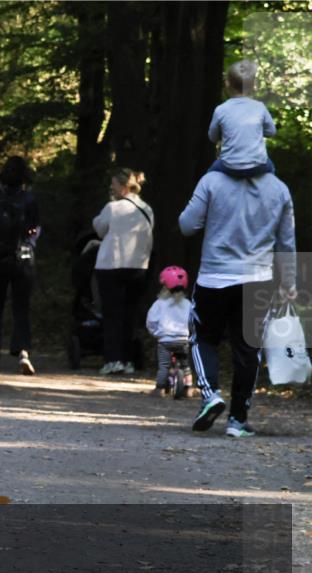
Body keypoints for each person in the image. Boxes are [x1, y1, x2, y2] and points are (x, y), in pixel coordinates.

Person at [179, 163, 296, 437]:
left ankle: (210, 395)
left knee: (203, 337)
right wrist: (290, 282)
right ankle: (237, 420)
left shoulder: (211, 181)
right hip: (258, 279)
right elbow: (286, 242)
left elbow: (187, 225)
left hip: (213, 278)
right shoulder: (279, 189)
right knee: (248, 348)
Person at [0, 156, 40, 375]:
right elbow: (34, 229)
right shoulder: (30, 199)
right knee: (21, 307)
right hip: (22, 258)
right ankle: (22, 351)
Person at [92, 168, 153, 375]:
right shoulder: (147, 209)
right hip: (138, 266)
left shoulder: (112, 208)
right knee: (130, 314)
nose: (112, 188)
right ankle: (129, 360)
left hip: (112, 265)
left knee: (112, 314)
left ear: (124, 186)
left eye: (114, 184)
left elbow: (99, 229)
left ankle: (112, 359)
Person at [208, 60, 276, 179]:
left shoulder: (221, 109)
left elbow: (212, 137)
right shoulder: (259, 107)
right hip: (258, 166)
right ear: (253, 86)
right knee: (271, 168)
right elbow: (272, 132)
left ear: (227, 83)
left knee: (210, 174)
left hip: (229, 166)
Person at [146, 266, 195, 397]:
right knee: (185, 366)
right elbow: (193, 322)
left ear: (164, 286)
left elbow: (151, 321)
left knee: (164, 365)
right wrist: (190, 333)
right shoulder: (188, 304)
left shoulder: (160, 303)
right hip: (183, 340)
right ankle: (188, 389)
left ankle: (160, 389)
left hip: (165, 341)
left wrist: (156, 333)